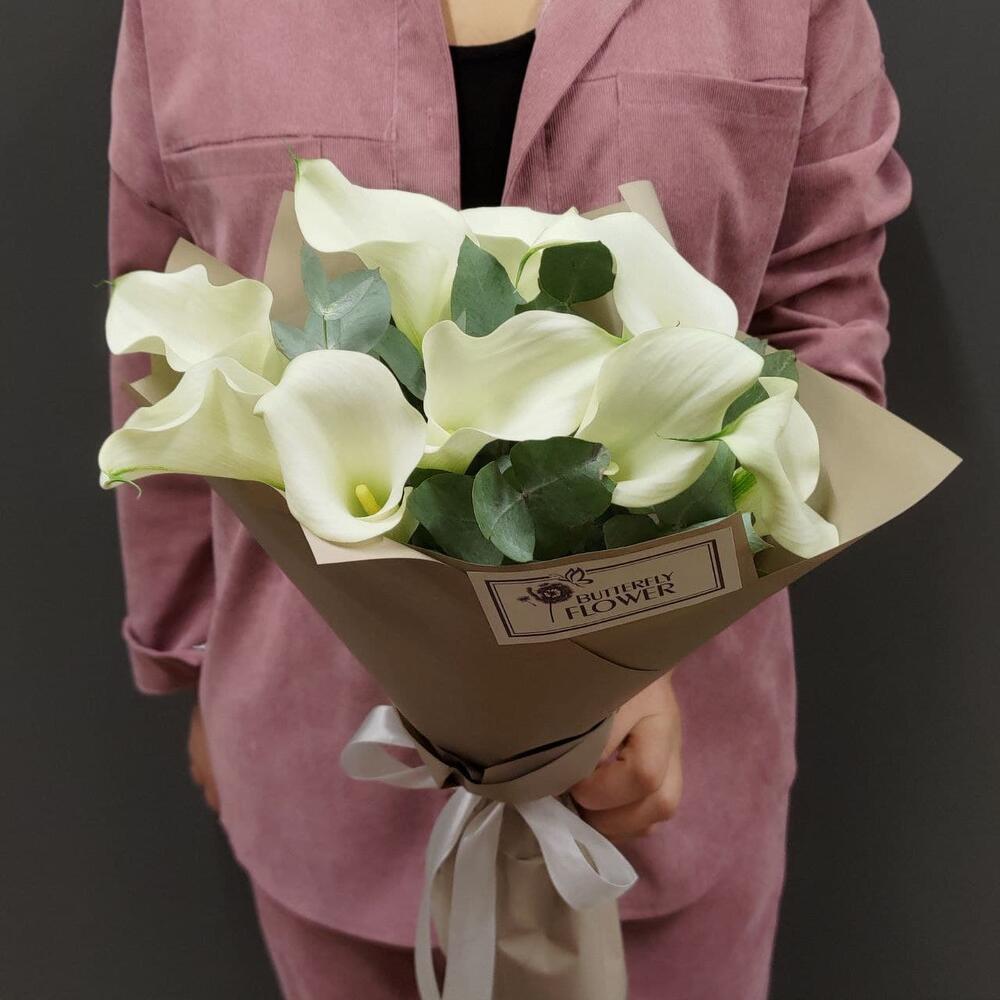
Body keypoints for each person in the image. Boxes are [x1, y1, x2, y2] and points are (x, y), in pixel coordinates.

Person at [107, 0, 911, 996]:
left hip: (670, 786)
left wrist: (634, 639)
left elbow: (824, 330)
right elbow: (160, 337)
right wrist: (192, 657)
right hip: (321, 768)